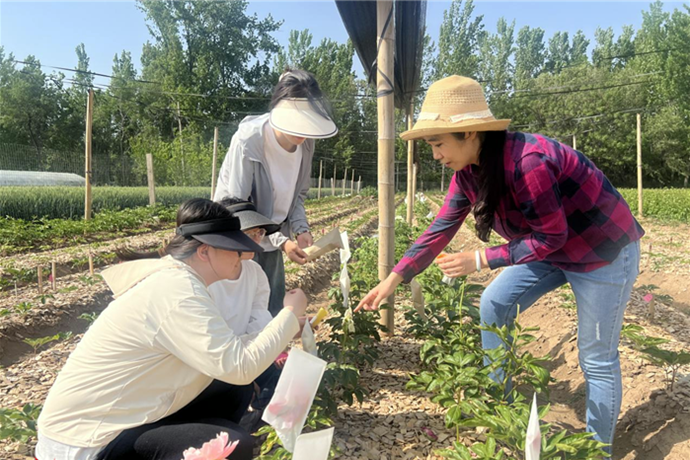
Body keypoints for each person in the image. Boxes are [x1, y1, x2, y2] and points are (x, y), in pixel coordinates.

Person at [356, 75, 644, 454]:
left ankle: (597, 450)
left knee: (596, 357)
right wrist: (394, 279)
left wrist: (480, 258)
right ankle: (501, 410)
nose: (436, 155)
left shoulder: (528, 163)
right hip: (550, 247)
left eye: (438, 143)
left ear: (471, 133)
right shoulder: (469, 172)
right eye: (431, 145)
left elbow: (550, 237)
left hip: (601, 251)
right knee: (494, 303)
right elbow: (441, 226)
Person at [35, 198, 309, 460]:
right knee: (232, 444)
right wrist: (287, 314)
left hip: (129, 417)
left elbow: (231, 353)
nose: (241, 255)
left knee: (231, 395)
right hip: (88, 441)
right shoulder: (178, 293)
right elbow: (240, 365)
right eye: (233, 248)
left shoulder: (181, 281)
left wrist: (283, 329)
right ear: (205, 251)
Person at [214, 69, 338, 317]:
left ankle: (274, 353)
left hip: (271, 235)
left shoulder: (306, 144)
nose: (303, 134)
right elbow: (241, 213)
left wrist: (301, 228)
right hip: (238, 236)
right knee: (242, 307)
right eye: (298, 125)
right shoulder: (249, 141)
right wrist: (283, 242)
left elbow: (298, 195)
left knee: (271, 300)